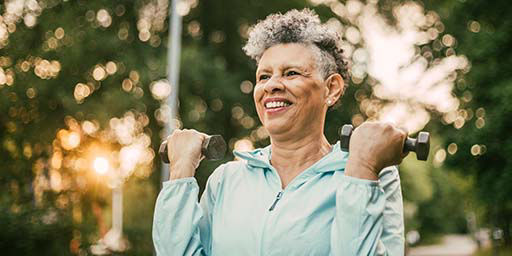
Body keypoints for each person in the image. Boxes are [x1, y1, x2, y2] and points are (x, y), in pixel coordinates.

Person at [153, 9, 408, 256]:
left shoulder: (370, 174)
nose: (272, 85)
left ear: (331, 88)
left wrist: (362, 169)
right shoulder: (226, 181)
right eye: (263, 77)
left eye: (291, 73)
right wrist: (180, 173)